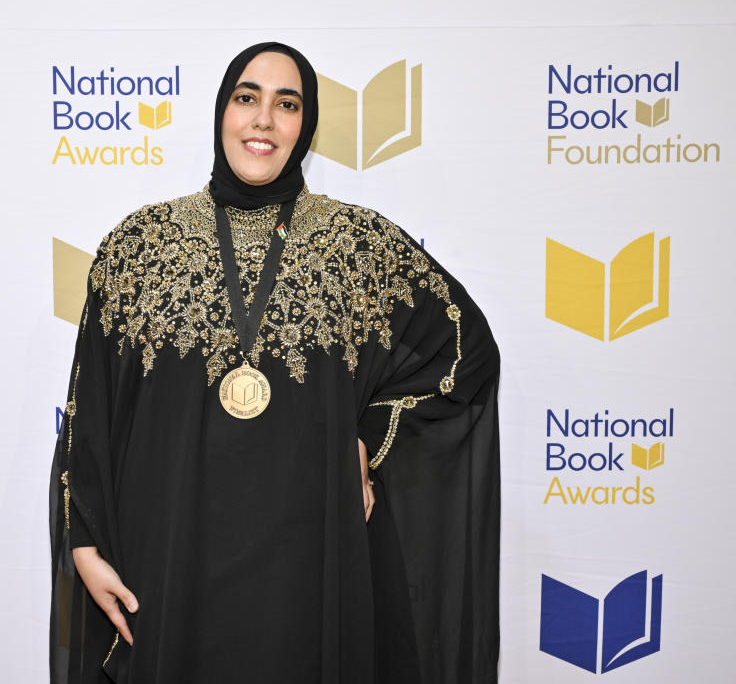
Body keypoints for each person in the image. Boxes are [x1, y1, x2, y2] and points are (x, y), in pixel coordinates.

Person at [49, 42, 500, 684]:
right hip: (168, 565)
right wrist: (85, 547)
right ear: (221, 112)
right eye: (246, 98)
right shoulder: (137, 248)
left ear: (305, 126)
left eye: (286, 104)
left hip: (306, 576)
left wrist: (367, 439)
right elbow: (88, 407)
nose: (263, 119)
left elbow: (462, 351)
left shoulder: (357, 249)